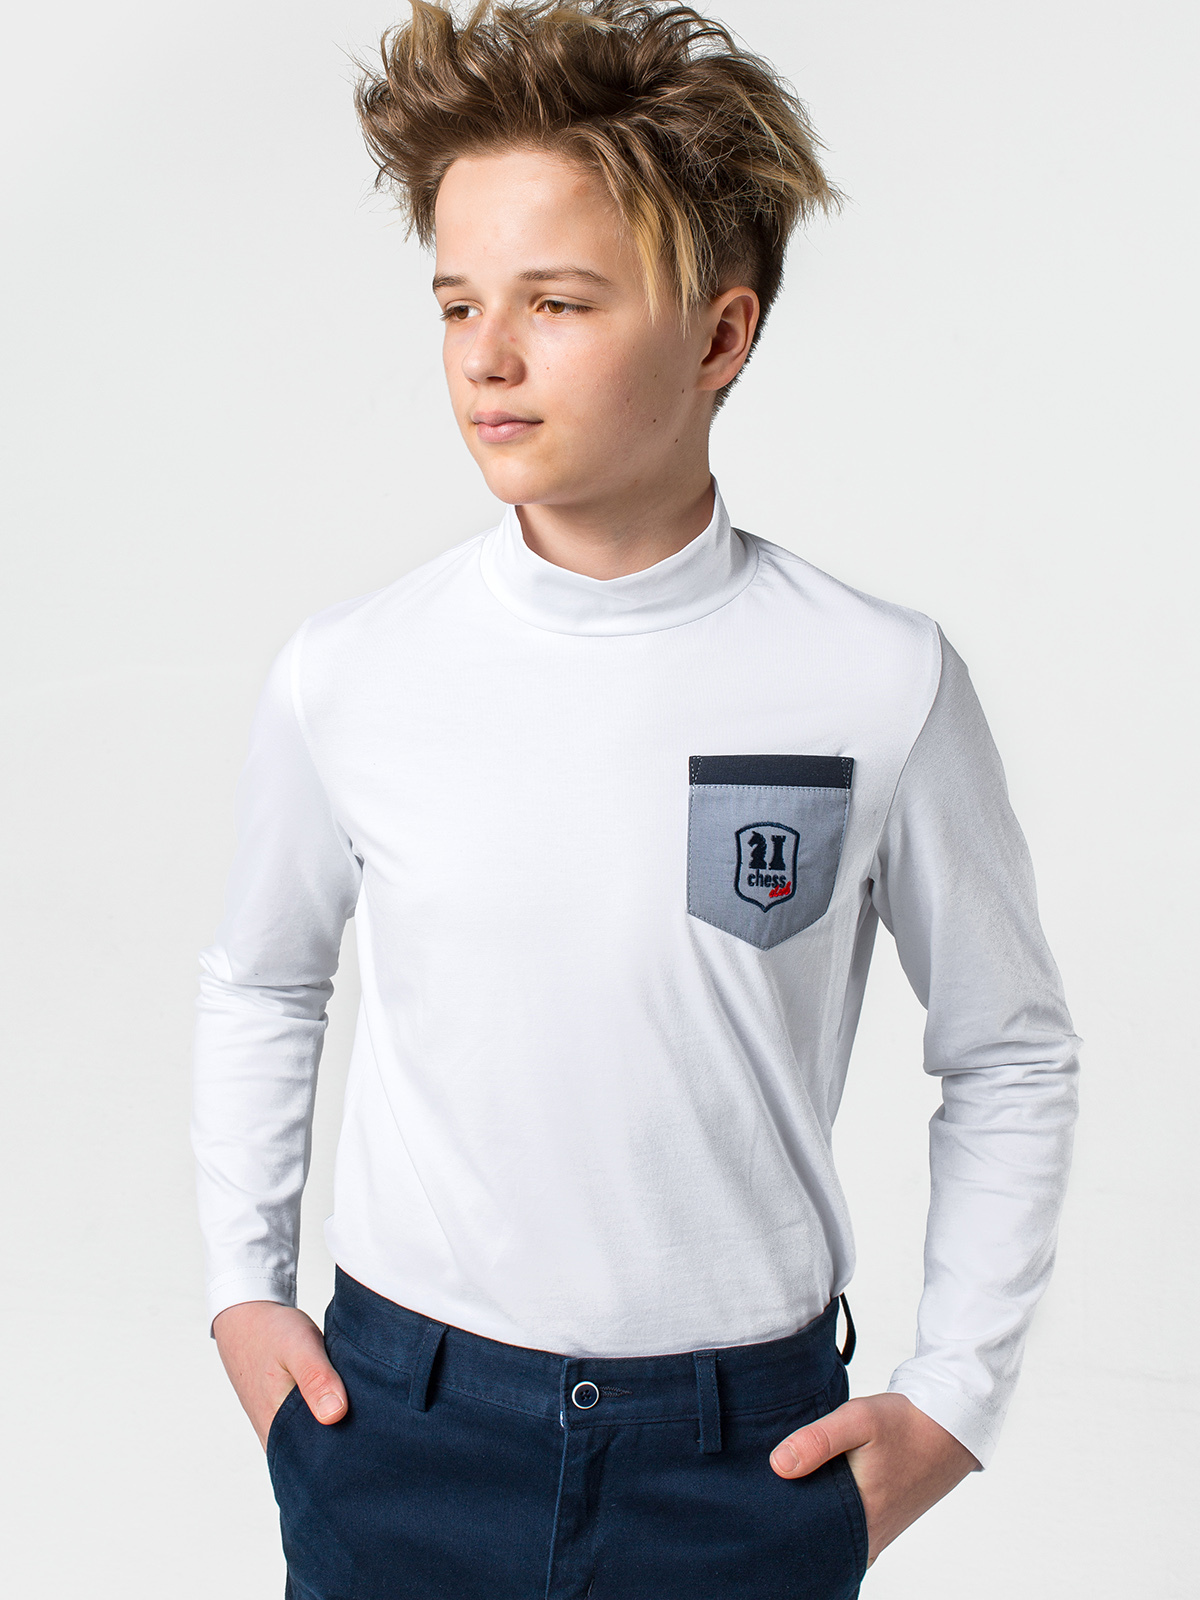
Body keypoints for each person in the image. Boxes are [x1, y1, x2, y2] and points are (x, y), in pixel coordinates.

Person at [192, 3, 1080, 1596]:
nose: (487, 355)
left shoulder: (878, 680)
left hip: (741, 1461)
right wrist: (243, 1292)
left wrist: (956, 1397)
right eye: (458, 302)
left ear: (722, 336)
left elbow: (1008, 1051)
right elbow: (263, 981)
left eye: (556, 301)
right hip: (401, 1427)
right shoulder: (354, 672)